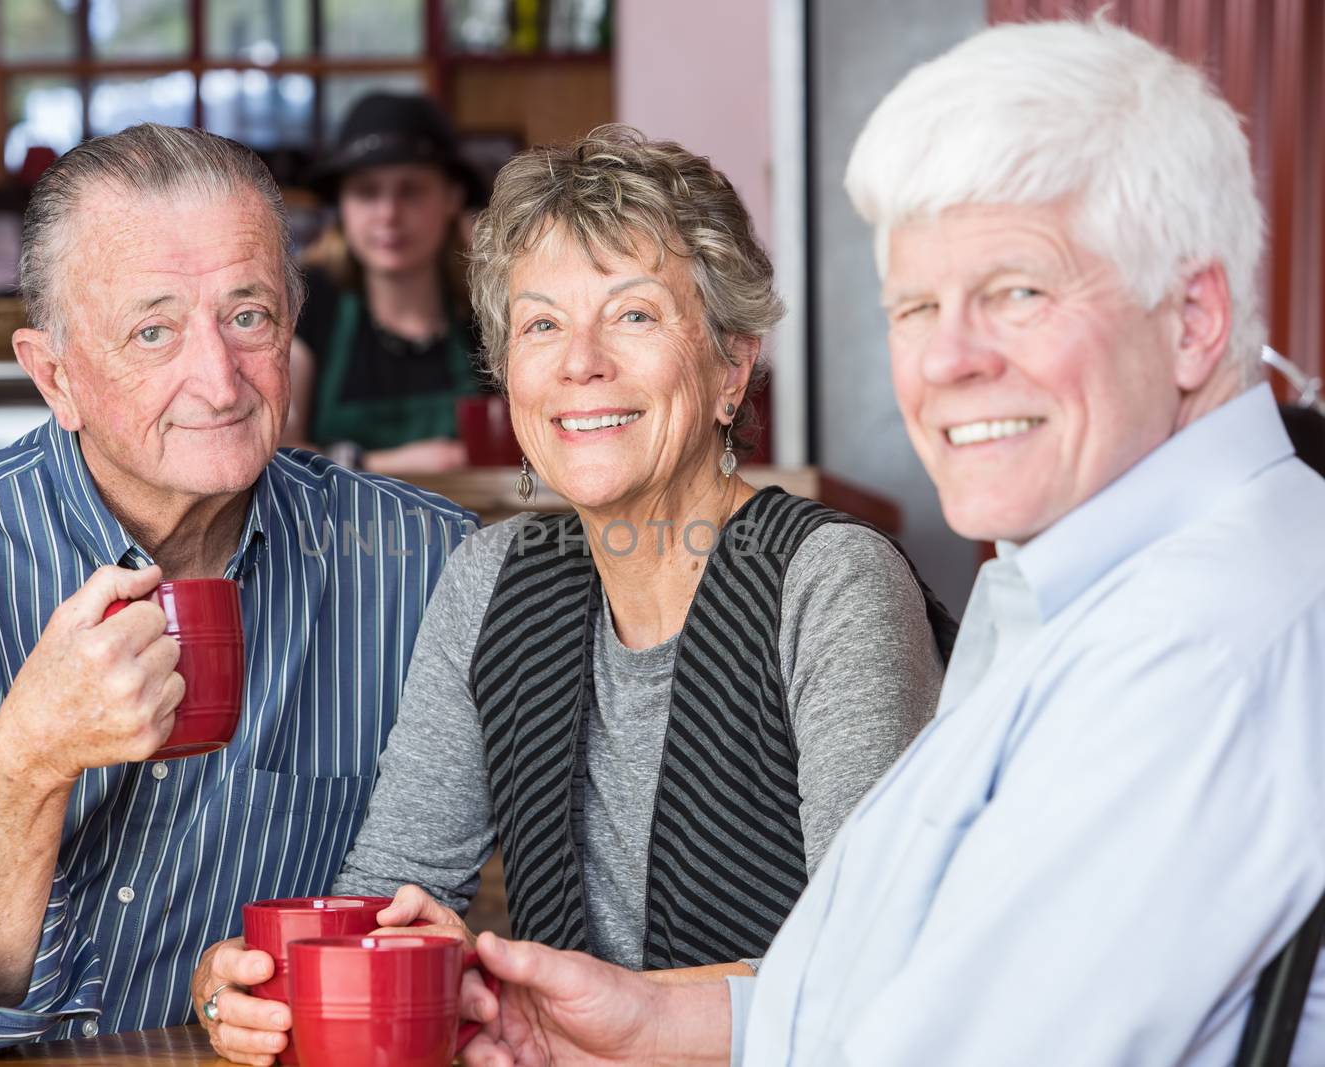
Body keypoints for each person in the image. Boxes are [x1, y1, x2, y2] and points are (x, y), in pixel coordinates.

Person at [440, 18, 1325, 1067]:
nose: (946, 359)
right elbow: (890, 990)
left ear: (1191, 320)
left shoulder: (1201, 644)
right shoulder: (1092, 592)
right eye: (913, 305)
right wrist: (647, 1019)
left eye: (1017, 292)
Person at [193, 125, 956, 1064]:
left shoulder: (832, 582)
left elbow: (882, 958)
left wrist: (608, 1009)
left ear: (730, 365)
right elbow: (393, 892)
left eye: (634, 315)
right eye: (541, 324)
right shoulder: (493, 577)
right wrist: (253, 982)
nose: (579, 362)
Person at [0, 124, 473, 1066]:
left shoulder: (420, 564)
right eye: (153, 331)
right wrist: (31, 757)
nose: (219, 379)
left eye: (250, 315)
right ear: (54, 375)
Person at [281, 92, 491, 475]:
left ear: (451, 198)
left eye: (410, 191)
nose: (388, 214)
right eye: (366, 192)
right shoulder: (306, 303)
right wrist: (384, 464)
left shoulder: (489, 312)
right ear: (341, 206)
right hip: (334, 534)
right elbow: (279, 449)